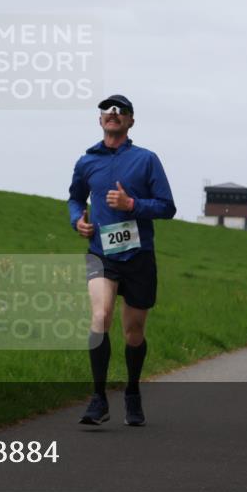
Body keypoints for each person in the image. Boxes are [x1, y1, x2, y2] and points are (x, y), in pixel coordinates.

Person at [69, 94, 175, 427]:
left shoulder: (146, 160)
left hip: (138, 255)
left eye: (121, 110)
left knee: (133, 332)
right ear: (100, 120)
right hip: (101, 253)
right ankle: (98, 398)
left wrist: (132, 205)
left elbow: (167, 207)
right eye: (107, 110)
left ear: (130, 121)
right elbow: (75, 199)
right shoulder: (87, 161)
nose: (113, 113)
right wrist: (77, 220)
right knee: (100, 315)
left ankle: (132, 391)